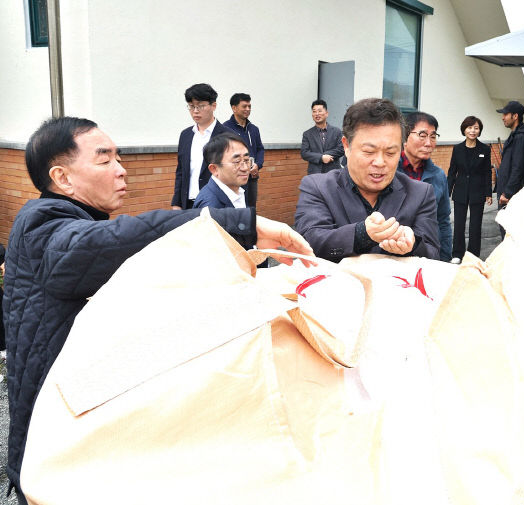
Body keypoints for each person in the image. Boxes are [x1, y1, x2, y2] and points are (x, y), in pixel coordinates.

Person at [2, 117, 313, 504]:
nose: (121, 169)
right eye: (104, 160)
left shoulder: (69, 222)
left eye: (119, 157)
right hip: (52, 448)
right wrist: (237, 225)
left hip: (72, 425)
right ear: (63, 178)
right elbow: (107, 243)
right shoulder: (45, 226)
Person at [295, 98, 439, 262]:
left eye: (390, 152)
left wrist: (412, 245)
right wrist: (362, 234)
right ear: (346, 146)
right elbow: (308, 244)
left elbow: (433, 254)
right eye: (369, 151)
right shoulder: (317, 187)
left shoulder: (421, 193)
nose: (379, 162)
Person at [397, 112, 452, 262]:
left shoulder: (438, 175)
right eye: (422, 135)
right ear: (404, 136)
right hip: (392, 254)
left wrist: (445, 257)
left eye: (433, 136)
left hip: (427, 254)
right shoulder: (389, 172)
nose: (428, 143)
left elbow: (443, 220)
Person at [171, 83, 233, 210]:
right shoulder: (186, 135)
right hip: (187, 204)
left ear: (213, 106)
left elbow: (233, 174)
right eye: (191, 106)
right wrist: (177, 202)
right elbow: (181, 171)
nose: (195, 111)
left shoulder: (227, 136)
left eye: (200, 106)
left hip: (216, 204)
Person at [447, 116, 493, 262]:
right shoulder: (457, 149)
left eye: (476, 128)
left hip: (478, 192)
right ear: (464, 130)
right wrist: (447, 192)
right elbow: (452, 172)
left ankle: (473, 256)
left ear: (479, 131)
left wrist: (488, 193)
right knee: (459, 225)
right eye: (469, 127)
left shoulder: (485, 149)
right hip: (460, 191)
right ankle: (457, 254)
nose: (472, 131)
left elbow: (487, 172)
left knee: (475, 225)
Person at [494, 100, 524, 239]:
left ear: (515, 116)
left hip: (512, 194)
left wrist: (507, 193)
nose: (503, 117)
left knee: (510, 231)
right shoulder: (515, 134)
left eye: (505, 114)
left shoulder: (521, 137)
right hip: (507, 191)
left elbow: (518, 168)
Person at [223, 93, 264, 206]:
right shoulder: (225, 129)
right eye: (244, 106)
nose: (248, 109)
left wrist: (258, 165)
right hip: (234, 178)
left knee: (251, 209)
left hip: (251, 177)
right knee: (236, 209)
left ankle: (250, 224)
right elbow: (223, 154)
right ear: (234, 108)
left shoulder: (254, 129)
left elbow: (260, 149)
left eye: (249, 106)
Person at [194, 132, 252, 209]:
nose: (245, 168)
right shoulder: (211, 207)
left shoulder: (237, 189)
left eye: (246, 160)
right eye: (237, 161)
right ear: (214, 169)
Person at [300, 99, 345, 174]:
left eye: (320, 111)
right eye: (314, 111)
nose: (317, 114)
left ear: (326, 113)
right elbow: (304, 153)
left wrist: (325, 155)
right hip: (315, 173)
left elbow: (341, 149)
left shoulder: (337, 131)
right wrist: (321, 158)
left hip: (333, 172)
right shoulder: (307, 134)